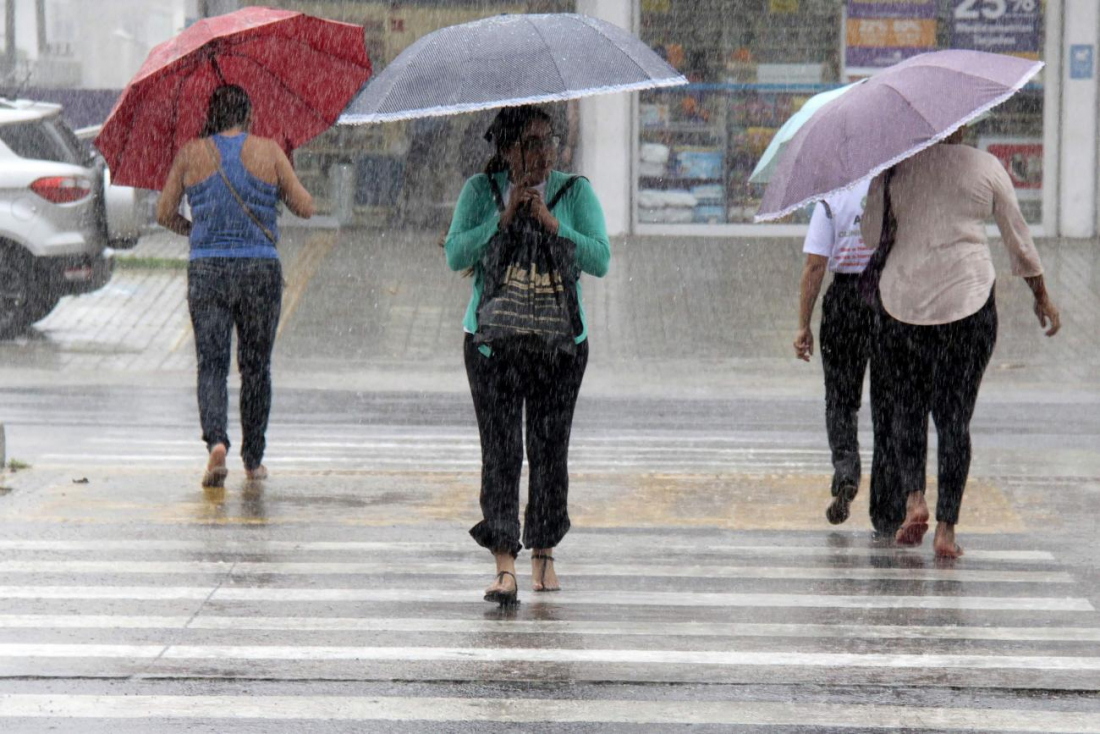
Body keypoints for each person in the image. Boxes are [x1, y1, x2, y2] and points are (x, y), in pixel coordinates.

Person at [860, 127, 1060, 558]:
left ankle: (914, 500)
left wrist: (887, 187)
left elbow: (870, 236)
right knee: (954, 419)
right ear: (964, 125)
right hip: (967, 303)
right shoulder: (985, 166)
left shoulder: (894, 169)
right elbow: (1017, 239)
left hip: (904, 302)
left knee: (907, 409)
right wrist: (1041, 296)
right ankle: (947, 530)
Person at [444, 105, 610, 605]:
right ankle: (504, 563)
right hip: (492, 344)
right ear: (507, 149)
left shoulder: (574, 192)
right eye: (531, 143)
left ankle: (543, 550)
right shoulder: (480, 191)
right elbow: (456, 254)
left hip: (560, 346)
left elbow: (600, 257)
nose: (544, 151)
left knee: (548, 448)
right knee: (500, 453)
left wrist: (555, 224)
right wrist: (503, 218)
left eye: (548, 140)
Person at [156, 84, 314, 488]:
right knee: (255, 367)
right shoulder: (269, 150)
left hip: (207, 269)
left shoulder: (192, 153)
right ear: (248, 114)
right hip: (259, 270)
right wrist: (282, 175)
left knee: (212, 364)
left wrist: (196, 231)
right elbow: (306, 207)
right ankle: (253, 458)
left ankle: (216, 442)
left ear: (212, 114)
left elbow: (163, 213)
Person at [794, 180, 901, 534]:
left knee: (841, 399)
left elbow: (814, 266)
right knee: (888, 403)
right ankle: (887, 508)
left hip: (844, 302)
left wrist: (803, 325)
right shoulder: (894, 190)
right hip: (887, 299)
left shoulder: (832, 198)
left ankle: (845, 473)